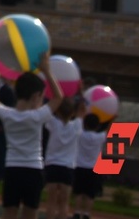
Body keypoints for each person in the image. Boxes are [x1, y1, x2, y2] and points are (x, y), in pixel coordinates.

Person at [0, 54, 66, 219]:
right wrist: (47, 71)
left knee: (9, 212)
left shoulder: (7, 115)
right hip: (33, 171)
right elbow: (59, 97)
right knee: (30, 213)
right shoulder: (38, 116)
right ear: (36, 96)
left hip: (12, 169)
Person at [44, 90, 83, 219]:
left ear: (57, 111)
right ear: (72, 113)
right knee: (64, 203)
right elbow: (83, 110)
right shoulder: (77, 125)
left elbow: (49, 109)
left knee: (51, 201)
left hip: (52, 165)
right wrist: (81, 93)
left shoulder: (53, 123)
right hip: (67, 167)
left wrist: (55, 97)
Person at [72, 112, 108, 219]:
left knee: (79, 192)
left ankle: (77, 212)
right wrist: (111, 118)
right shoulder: (100, 137)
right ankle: (87, 214)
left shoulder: (80, 135)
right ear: (97, 126)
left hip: (79, 167)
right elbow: (108, 130)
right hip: (94, 169)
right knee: (90, 194)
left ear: (85, 124)